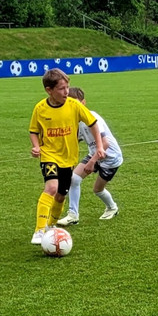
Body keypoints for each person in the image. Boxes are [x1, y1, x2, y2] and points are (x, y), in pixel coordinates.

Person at [28, 68, 104, 245]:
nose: (66, 92)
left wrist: (99, 147)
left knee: (61, 195)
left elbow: (93, 123)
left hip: (69, 158)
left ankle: (51, 226)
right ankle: (39, 230)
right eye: (62, 88)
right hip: (49, 155)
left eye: (67, 87)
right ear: (49, 90)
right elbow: (33, 131)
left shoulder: (74, 105)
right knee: (52, 188)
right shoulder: (40, 109)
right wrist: (36, 147)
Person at [57, 87, 122, 226]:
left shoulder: (92, 117)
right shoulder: (74, 122)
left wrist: (92, 162)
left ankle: (112, 208)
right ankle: (73, 215)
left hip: (110, 157)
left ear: (83, 103)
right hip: (95, 154)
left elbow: (104, 144)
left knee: (97, 190)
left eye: (75, 103)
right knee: (74, 179)